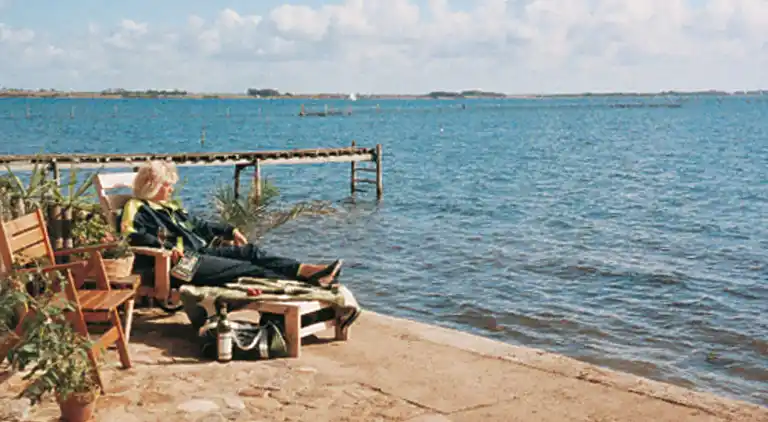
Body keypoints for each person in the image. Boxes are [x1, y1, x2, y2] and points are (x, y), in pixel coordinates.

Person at [119, 161, 343, 289]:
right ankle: (305, 285)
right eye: (167, 185)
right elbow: (131, 236)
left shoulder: (172, 208)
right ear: (153, 185)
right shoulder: (137, 207)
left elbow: (201, 225)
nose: (171, 190)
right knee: (247, 270)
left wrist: (229, 230)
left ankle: (306, 271)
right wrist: (167, 250)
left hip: (200, 254)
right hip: (180, 265)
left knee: (250, 251)